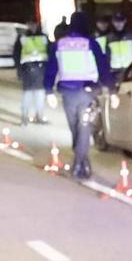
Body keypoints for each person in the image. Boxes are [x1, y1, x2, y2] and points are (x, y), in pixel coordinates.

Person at [45, 10, 110, 179]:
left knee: (75, 129)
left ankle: (79, 163)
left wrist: (48, 90)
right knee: (84, 128)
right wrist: (109, 87)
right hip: (88, 92)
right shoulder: (91, 43)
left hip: (68, 93)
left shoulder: (59, 44)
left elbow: (51, 68)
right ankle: (81, 162)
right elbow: (103, 66)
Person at [16, 21, 49, 124]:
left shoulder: (23, 38)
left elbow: (16, 55)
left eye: (34, 24)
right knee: (29, 94)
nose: (33, 26)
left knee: (38, 94)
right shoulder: (24, 38)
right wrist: (19, 70)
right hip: (31, 69)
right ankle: (25, 117)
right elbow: (17, 55)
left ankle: (36, 116)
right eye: (31, 25)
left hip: (36, 70)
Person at [104, 12, 132, 81]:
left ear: (125, 21)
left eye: (121, 21)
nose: (119, 24)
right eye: (116, 21)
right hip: (115, 72)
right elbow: (107, 55)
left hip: (130, 70)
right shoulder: (109, 38)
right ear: (113, 22)